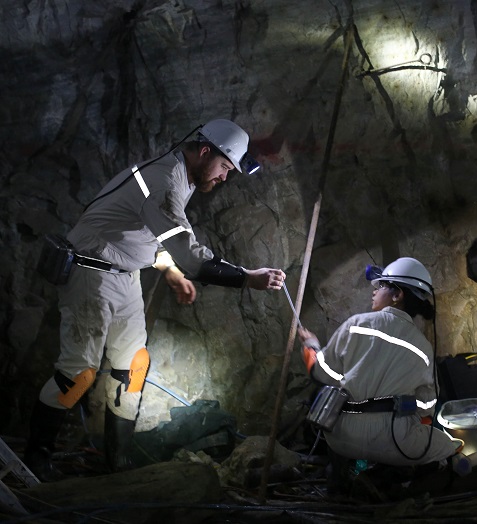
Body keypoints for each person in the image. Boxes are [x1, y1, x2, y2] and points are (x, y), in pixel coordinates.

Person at [26, 119, 287, 479]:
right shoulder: (165, 180)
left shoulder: (182, 178)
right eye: (226, 167)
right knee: (78, 373)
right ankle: (36, 459)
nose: (225, 177)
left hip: (124, 275)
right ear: (205, 151)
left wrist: (169, 271)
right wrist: (247, 278)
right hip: (91, 273)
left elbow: (147, 234)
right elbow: (192, 256)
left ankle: (117, 462)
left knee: (133, 367)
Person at [297, 257, 464, 489]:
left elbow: (321, 373)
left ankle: (340, 478)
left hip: (340, 438)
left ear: (397, 295)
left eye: (381, 286)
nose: (374, 291)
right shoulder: (423, 348)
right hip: (396, 443)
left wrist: (312, 346)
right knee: (448, 443)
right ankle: (404, 481)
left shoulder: (355, 324)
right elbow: (428, 405)